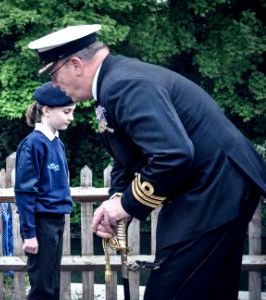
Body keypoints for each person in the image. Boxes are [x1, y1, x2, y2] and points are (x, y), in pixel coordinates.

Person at [28, 24, 266, 299]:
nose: (55, 85)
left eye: (54, 74)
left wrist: (127, 204)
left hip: (214, 189)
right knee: (210, 289)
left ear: (76, 64)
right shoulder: (112, 84)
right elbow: (126, 158)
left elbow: (173, 155)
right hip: (214, 187)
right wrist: (116, 202)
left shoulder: (124, 85)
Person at [14, 82, 76, 300]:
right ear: (47, 111)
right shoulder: (32, 144)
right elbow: (24, 192)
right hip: (41, 223)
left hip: (57, 219)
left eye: (72, 112)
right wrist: (29, 233)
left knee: (52, 282)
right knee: (42, 287)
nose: (71, 117)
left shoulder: (58, 144)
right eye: (66, 112)